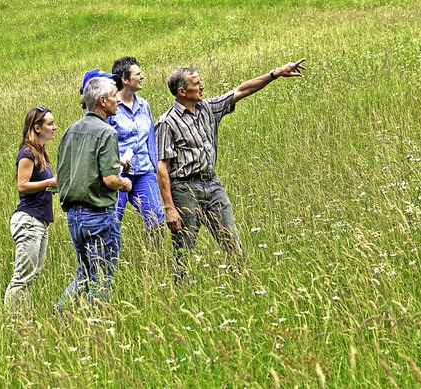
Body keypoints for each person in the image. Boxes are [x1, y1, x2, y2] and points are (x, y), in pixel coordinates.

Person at [155, 59, 306, 279]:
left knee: (232, 242)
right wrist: (169, 207)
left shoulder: (208, 108)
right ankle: (179, 289)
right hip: (184, 189)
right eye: (197, 84)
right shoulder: (167, 122)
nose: (202, 87)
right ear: (182, 91)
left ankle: (243, 284)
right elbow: (161, 167)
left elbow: (242, 90)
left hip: (212, 185)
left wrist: (274, 74)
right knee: (183, 249)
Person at [56, 75, 132, 311]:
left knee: (85, 274)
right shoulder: (107, 132)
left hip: (74, 217)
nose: (117, 100)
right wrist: (125, 184)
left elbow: (63, 176)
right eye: (113, 96)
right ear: (102, 101)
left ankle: (59, 314)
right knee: (103, 279)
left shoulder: (69, 131)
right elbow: (110, 180)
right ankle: (95, 328)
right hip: (99, 215)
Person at [5, 106, 58, 316]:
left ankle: (23, 317)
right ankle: (11, 320)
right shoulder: (27, 152)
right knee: (22, 277)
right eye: (50, 124)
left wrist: (55, 186)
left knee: (32, 275)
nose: (54, 127)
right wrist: (50, 182)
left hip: (41, 220)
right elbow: (22, 185)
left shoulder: (41, 152)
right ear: (37, 127)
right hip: (29, 220)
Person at [109, 57, 165, 236]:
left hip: (144, 172)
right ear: (124, 79)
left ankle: (155, 260)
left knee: (156, 219)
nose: (142, 77)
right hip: (118, 174)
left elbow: (150, 136)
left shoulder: (144, 105)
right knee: (112, 220)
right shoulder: (111, 106)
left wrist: (154, 164)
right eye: (138, 74)